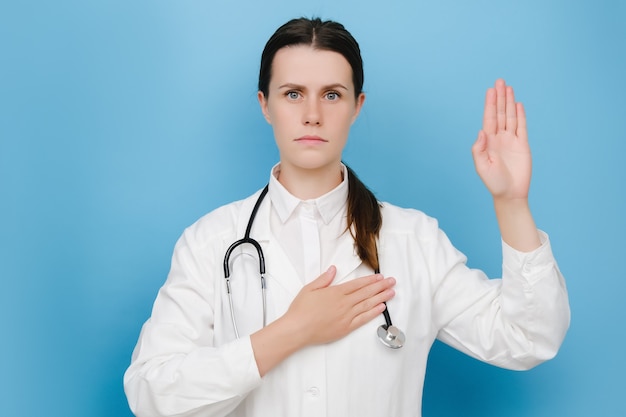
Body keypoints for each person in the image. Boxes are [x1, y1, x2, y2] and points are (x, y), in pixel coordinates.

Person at [124, 17, 570, 417]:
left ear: (357, 106)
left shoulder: (414, 239)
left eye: (332, 95)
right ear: (265, 105)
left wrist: (512, 202)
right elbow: (152, 395)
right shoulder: (210, 242)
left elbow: (528, 338)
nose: (313, 115)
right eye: (293, 94)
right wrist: (294, 330)